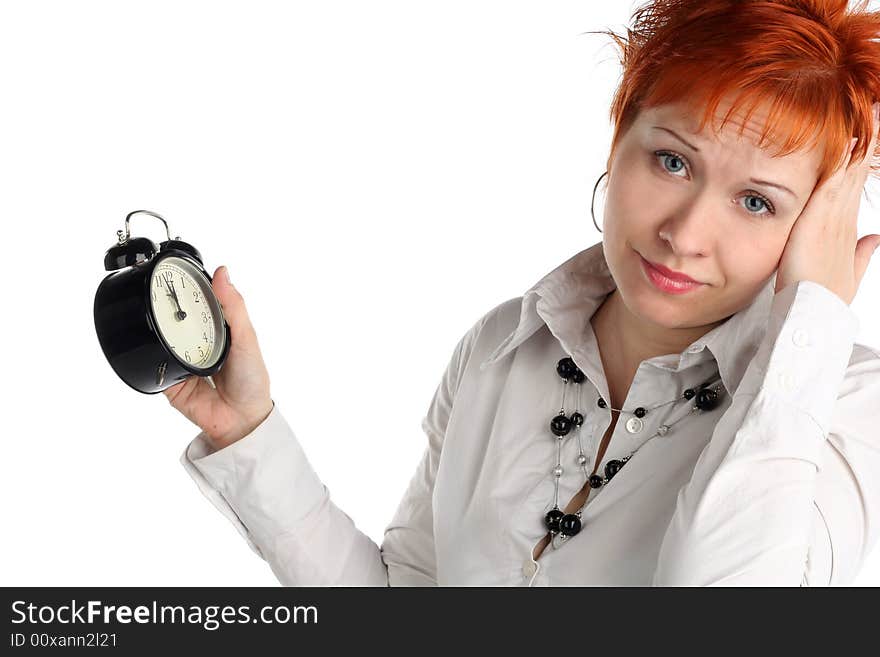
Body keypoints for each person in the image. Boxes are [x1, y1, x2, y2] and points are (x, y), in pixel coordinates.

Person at [165, 0, 880, 586]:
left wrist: (810, 318)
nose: (686, 234)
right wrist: (247, 428)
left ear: (817, 224)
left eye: (757, 202)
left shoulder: (845, 404)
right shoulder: (502, 348)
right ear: (617, 137)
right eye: (672, 160)